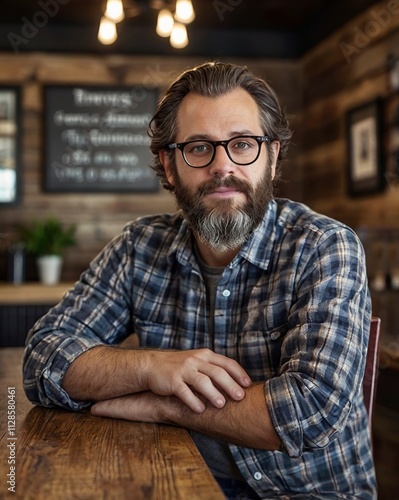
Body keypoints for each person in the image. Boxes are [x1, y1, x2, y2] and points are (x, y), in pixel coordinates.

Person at [23, 61, 376, 499]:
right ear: (170, 165)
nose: (222, 167)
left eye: (243, 144)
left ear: (272, 156)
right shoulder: (139, 247)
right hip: (178, 480)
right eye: (199, 148)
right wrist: (154, 367)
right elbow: (43, 359)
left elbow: (309, 411)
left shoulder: (325, 247)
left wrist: (162, 405)